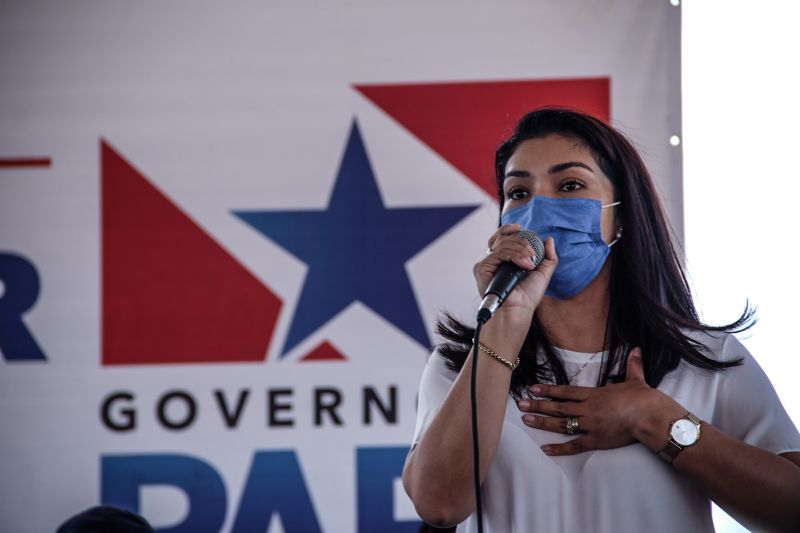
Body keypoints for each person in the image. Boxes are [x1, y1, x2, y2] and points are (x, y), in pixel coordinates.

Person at [402, 108, 800, 532]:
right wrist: (504, 325)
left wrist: (655, 417)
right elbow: (439, 505)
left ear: (621, 216)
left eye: (570, 185)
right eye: (518, 192)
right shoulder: (459, 363)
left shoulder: (704, 359)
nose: (538, 210)